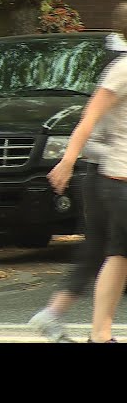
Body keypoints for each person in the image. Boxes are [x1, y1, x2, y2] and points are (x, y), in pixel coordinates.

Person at [28, 31, 127, 342]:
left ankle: (55, 314)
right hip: (109, 175)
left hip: (101, 172)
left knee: (102, 250)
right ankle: (98, 333)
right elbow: (89, 121)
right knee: (113, 252)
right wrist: (67, 161)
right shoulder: (121, 72)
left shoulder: (115, 72)